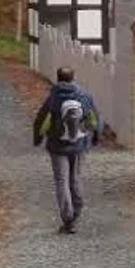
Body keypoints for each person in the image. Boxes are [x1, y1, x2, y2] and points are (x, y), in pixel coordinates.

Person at [32, 66, 101, 234]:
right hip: (78, 146)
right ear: (73, 78)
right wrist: (95, 137)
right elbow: (96, 119)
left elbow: (40, 120)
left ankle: (67, 219)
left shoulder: (53, 99)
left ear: (58, 78)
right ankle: (76, 213)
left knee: (61, 181)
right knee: (75, 178)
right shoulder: (84, 96)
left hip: (57, 146)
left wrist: (38, 139)